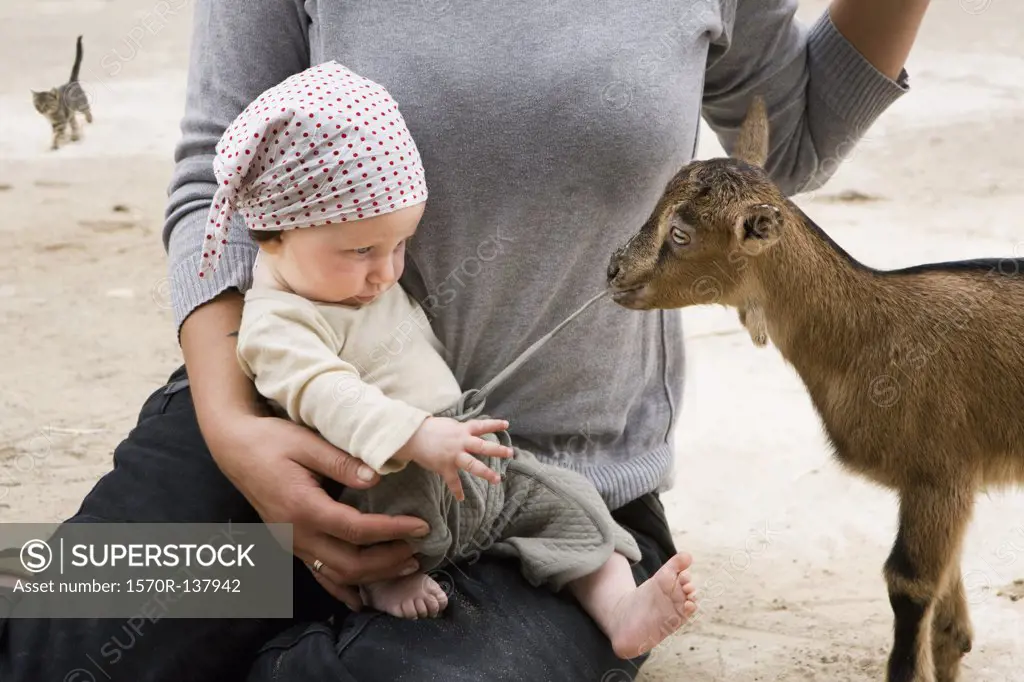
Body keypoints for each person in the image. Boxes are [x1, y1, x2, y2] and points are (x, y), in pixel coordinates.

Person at [0, 1, 927, 680]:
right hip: (265, 442)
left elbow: (789, 148)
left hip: (540, 503)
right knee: (61, 649)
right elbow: (217, 175)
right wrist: (232, 430)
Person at [215, 60, 698, 650]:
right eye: (362, 250)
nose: (387, 272)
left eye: (400, 247)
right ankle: (389, 578)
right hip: (398, 474)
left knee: (569, 500)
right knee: (102, 586)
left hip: (470, 455)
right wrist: (414, 435)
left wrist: (444, 432)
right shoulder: (276, 322)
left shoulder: (351, 276)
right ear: (273, 234)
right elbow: (324, 390)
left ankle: (620, 606)